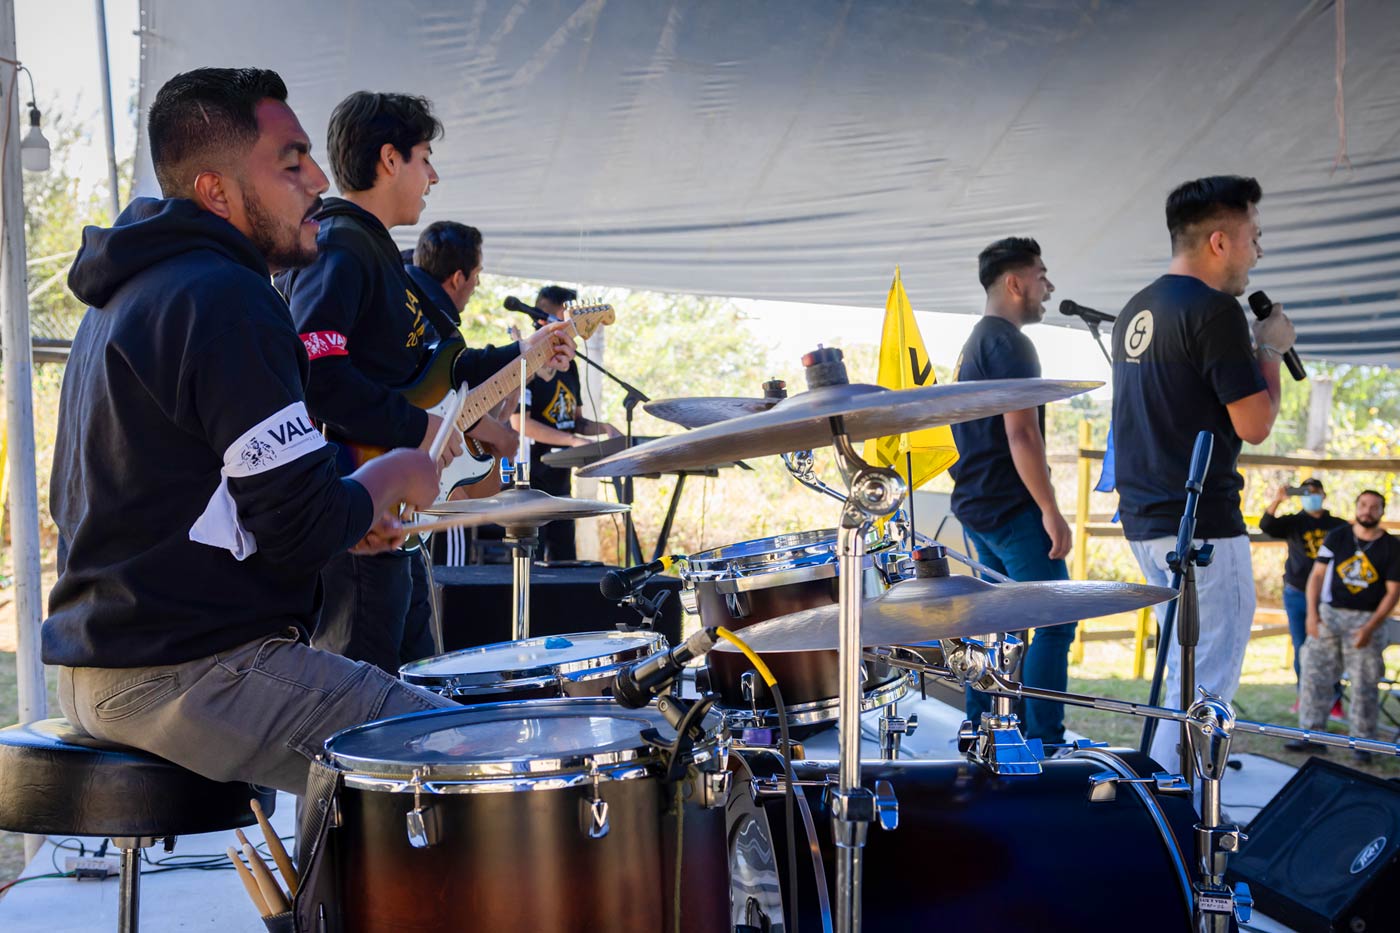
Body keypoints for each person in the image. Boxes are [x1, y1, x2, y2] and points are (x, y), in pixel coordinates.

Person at [43, 67, 461, 797]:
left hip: (103, 664)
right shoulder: (225, 297)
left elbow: (197, 502)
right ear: (217, 192)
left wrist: (348, 515)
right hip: (179, 673)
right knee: (459, 753)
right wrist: (393, 473)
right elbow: (301, 530)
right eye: (292, 163)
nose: (320, 180)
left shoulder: (134, 292)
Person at [281, 92, 575, 673]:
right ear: (390, 160)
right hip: (361, 507)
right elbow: (318, 374)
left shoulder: (381, 255)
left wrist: (524, 353)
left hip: (398, 509)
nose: (433, 177)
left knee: (417, 680)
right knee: (365, 692)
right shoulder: (341, 244)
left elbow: (439, 368)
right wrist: (421, 430)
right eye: (425, 159)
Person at [1111, 175, 1296, 771]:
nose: (1258, 252)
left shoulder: (1136, 309)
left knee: (1182, 678)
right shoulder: (1215, 311)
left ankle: (1164, 803)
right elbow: (1255, 424)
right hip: (1204, 527)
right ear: (1220, 241)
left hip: (1147, 520)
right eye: (1254, 236)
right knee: (1206, 691)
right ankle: (1183, 813)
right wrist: (1271, 350)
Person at [948, 237, 1076, 747]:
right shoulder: (1010, 343)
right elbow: (1021, 433)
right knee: (1055, 619)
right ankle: (1046, 742)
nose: (1049, 287)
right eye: (1042, 276)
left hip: (978, 505)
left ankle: (983, 730)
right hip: (1010, 509)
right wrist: (1050, 510)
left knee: (1001, 623)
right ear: (1015, 283)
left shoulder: (976, 342)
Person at [511, 285, 621, 561]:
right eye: (562, 316)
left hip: (560, 480)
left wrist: (604, 428)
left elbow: (575, 421)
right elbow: (520, 423)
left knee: (565, 559)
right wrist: (572, 441)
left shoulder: (568, 364)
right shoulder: (526, 363)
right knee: (532, 561)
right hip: (530, 479)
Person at [1289, 490, 1400, 761]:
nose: (1367, 511)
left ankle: (1363, 745)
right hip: (1330, 615)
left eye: (1374, 507)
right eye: (1363, 505)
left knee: (1364, 684)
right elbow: (1317, 576)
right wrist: (1312, 615)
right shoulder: (1338, 536)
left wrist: (1370, 628)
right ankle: (1311, 736)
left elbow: (1393, 592)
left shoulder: (1392, 546)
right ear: (1356, 507)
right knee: (1313, 675)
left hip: (1367, 619)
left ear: (1382, 511)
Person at [1259, 479, 1346, 712]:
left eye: (1315, 492)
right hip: (1297, 592)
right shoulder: (1295, 522)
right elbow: (1266, 524)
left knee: (1330, 647)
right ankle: (1304, 697)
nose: (1311, 497)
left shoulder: (1337, 525)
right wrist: (1278, 499)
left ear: (1324, 495)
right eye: (1306, 493)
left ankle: (1334, 699)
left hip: (1328, 596)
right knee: (1301, 647)